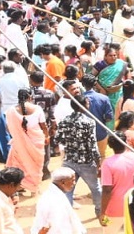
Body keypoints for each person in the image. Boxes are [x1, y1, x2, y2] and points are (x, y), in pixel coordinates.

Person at [56, 93, 104, 222]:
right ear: (83, 106)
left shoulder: (65, 120)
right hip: (86, 162)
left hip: (69, 160)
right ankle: (100, 212)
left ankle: (67, 216)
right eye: (87, 103)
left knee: (67, 190)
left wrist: (70, 142)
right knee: (96, 188)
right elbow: (93, 146)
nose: (89, 104)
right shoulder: (89, 122)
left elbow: (58, 138)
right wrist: (98, 163)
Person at [5, 87, 47, 192]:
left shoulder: (11, 111)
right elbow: (44, 126)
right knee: (36, 166)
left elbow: (8, 128)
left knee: (19, 165)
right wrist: (47, 136)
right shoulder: (37, 109)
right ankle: (34, 189)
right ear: (30, 97)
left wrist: (19, 137)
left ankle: (20, 186)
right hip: (36, 143)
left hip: (18, 144)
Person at [101, 134, 134, 231]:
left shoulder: (107, 163)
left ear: (110, 146)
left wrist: (102, 212)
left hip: (114, 209)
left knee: (109, 232)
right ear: (125, 142)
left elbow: (107, 190)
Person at [36, 167, 88, 234]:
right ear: (63, 182)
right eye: (72, 180)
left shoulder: (56, 194)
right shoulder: (54, 200)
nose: (74, 183)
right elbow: (57, 226)